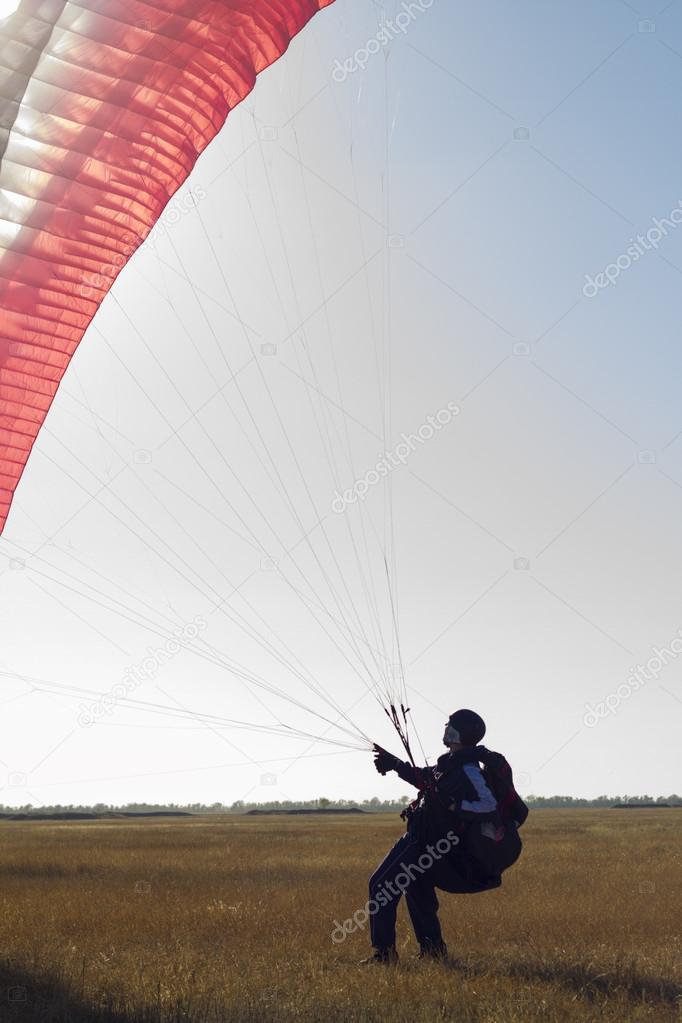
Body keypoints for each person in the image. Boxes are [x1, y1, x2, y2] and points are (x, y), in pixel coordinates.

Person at [361, 708, 527, 965]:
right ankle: (433, 952)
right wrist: (395, 764)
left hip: (424, 842)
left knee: (381, 885)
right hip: (426, 839)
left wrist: (455, 807)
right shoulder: (450, 764)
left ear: (456, 732)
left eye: (449, 724)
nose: (445, 727)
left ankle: (384, 954)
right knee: (417, 888)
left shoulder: (468, 770)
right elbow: (428, 779)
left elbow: (488, 806)